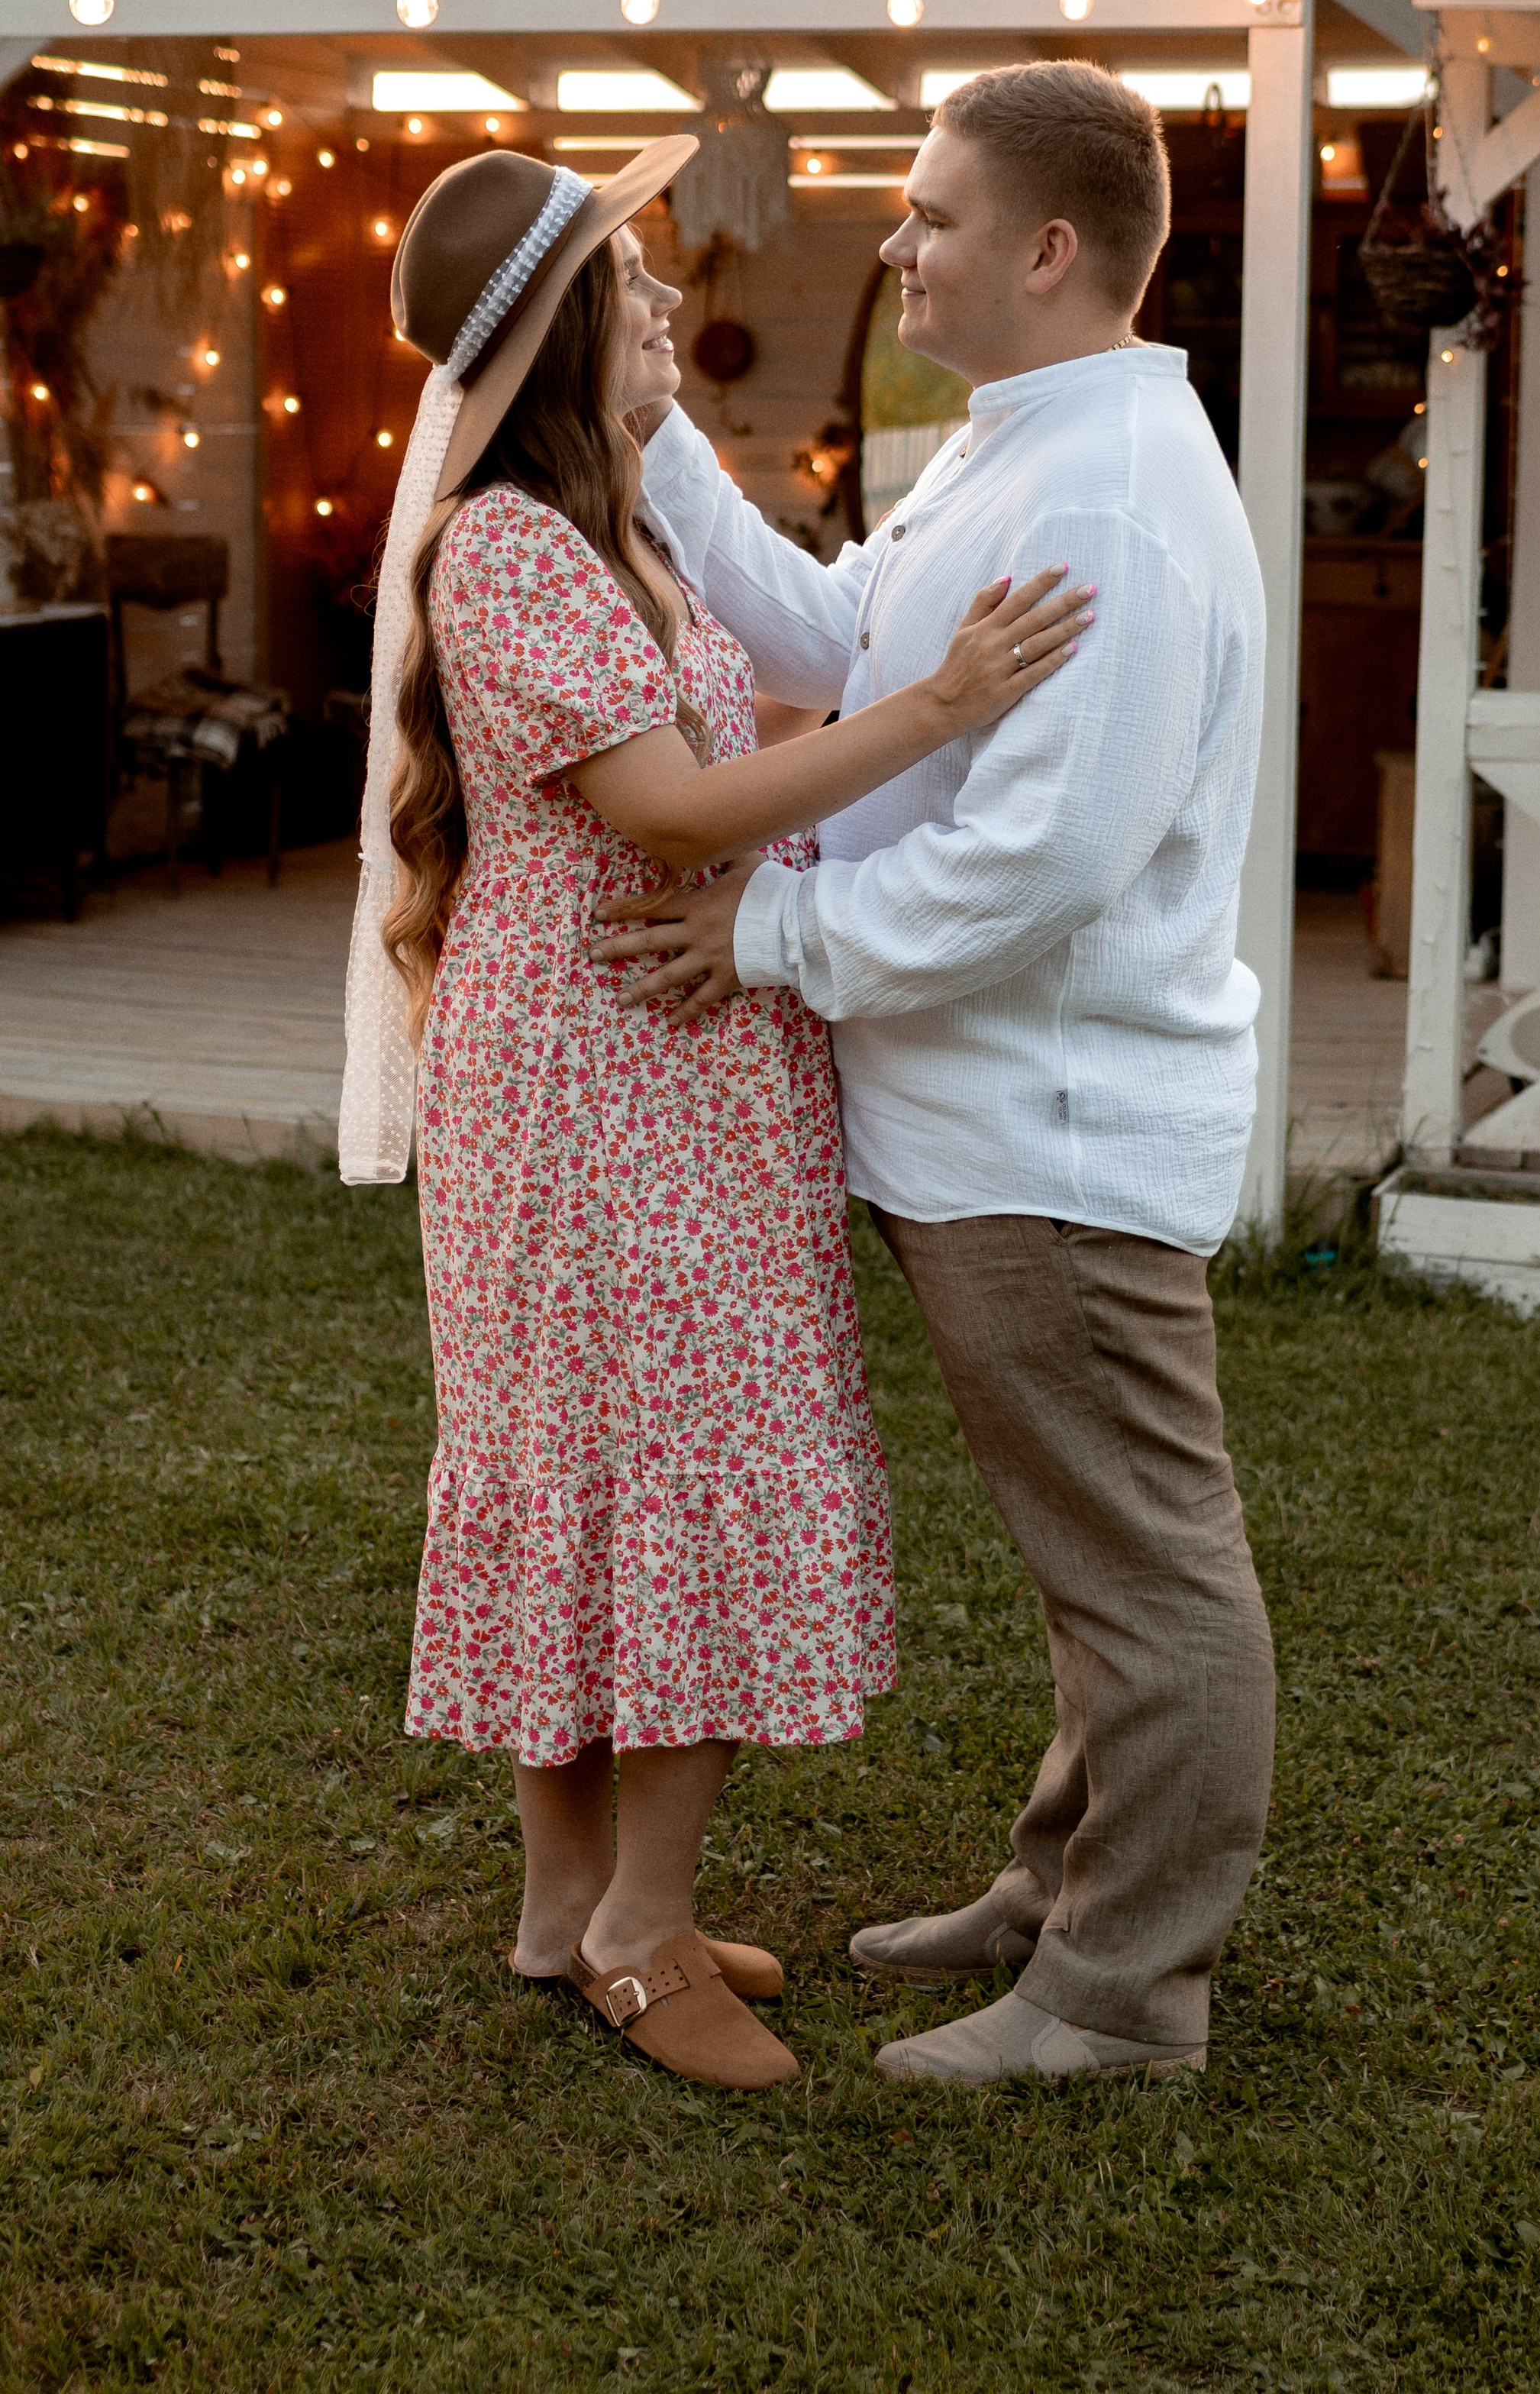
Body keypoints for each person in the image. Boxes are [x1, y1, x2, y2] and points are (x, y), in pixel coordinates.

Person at [341, 144, 1089, 2094]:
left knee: (607, 1465)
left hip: (657, 1053)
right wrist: (931, 711)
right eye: (634, 281)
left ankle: (561, 1908)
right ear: (566, 330)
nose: (667, 304)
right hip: (609, 1075)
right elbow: (668, 808)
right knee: (660, 1466)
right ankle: (634, 1933)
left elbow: (715, 750)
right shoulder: (512, 547)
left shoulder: (611, 530)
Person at [599, 60, 1275, 2086]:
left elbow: (1055, 855)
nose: (896, 243)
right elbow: (837, 638)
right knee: (1091, 1557)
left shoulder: (1119, 496)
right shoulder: (1013, 447)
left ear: (1052, 250)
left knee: (1148, 1569)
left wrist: (773, 937)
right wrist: (654, 445)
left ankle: (1121, 1989)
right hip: (978, 1119)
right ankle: (1060, 1885)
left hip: (1054, 1129)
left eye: (931, 214)